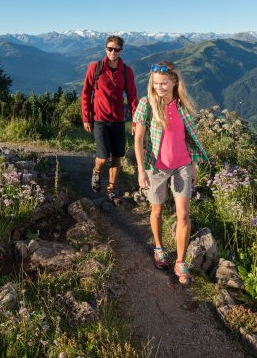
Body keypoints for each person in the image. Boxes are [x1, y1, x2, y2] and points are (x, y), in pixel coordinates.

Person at [133, 61, 208, 285]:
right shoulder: (146, 104)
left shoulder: (181, 106)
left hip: (182, 165)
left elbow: (189, 138)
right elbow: (137, 139)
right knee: (157, 209)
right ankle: (159, 248)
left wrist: (193, 164)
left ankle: (181, 261)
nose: (160, 87)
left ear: (174, 82)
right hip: (156, 166)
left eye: (164, 83)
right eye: (156, 83)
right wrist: (141, 170)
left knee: (183, 214)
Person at [81, 35, 138, 199]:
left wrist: (135, 121)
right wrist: (86, 117)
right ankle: (96, 171)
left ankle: (111, 189)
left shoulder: (126, 72)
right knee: (103, 157)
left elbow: (133, 97)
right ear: (106, 49)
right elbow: (85, 93)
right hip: (100, 119)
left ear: (121, 50)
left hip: (119, 120)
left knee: (117, 157)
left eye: (117, 49)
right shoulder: (96, 67)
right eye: (110, 49)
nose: (113, 52)